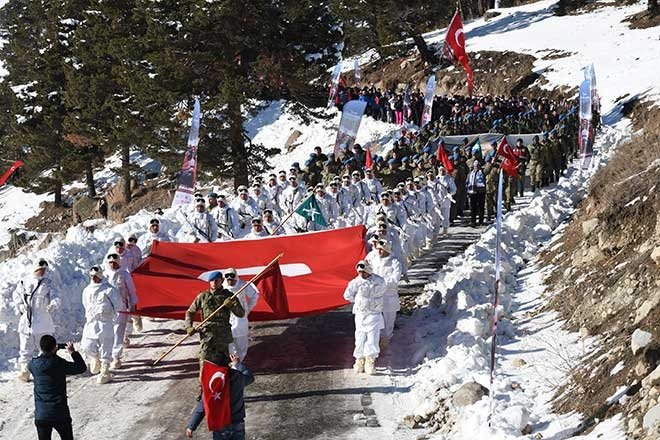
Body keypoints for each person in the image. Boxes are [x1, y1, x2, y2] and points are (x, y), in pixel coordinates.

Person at [28, 335, 86, 440]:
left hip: (41, 415)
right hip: (60, 414)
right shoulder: (59, 363)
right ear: (55, 347)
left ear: (41, 348)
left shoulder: (33, 365)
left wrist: (50, 351)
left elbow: (41, 361)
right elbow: (81, 368)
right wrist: (72, 352)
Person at [186, 353, 254, 440]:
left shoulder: (212, 384)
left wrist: (191, 426)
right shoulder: (237, 377)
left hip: (220, 423)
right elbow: (249, 377)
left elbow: (202, 406)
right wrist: (238, 364)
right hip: (237, 422)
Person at [13, 258, 60, 382]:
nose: (43, 272)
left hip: (43, 320)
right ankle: (25, 370)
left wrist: (53, 304)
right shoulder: (24, 282)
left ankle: (45, 369)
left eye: (44, 269)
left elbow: (56, 296)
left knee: (44, 347)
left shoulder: (48, 283)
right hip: (28, 320)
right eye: (40, 269)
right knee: (25, 346)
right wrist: (20, 305)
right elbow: (16, 295)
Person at [185, 271, 245, 367]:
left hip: (223, 337)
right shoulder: (203, 296)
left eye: (216, 280)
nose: (214, 283)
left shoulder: (229, 296)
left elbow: (241, 313)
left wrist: (232, 305)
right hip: (208, 336)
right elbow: (190, 312)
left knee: (223, 367)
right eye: (211, 281)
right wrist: (188, 326)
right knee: (205, 364)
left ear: (222, 280)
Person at [343, 260, 385, 375]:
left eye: (364, 272)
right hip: (361, 314)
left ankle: (370, 360)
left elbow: (382, 292)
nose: (361, 274)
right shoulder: (355, 282)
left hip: (374, 313)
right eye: (360, 272)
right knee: (360, 337)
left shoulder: (379, 281)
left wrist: (373, 302)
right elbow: (347, 295)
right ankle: (359, 359)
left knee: (372, 337)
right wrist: (359, 301)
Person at [80, 266, 120, 384]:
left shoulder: (109, 290)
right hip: (91, 322)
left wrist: (113, 318)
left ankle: (105, 370)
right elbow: (85, 304)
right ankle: (95, 357)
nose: (94, 278)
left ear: (100, 275)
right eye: (92, 276)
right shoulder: (87, 290)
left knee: (106, 346)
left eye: (96, 276)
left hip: (105, 322)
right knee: (87, 345)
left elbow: (118, 305)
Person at [104, 253, 138, 369]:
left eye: (114, 262)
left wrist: (133, 304)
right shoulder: (104, 275)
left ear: (118, 262)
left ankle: (116, 357)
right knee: (107, 333)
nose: (112, 264)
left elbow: (132, 291)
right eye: (110, 262)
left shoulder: (124, 274)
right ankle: (104, 356)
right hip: (107, 310)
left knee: (118, 333)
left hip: (121, 308)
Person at [367, 240, 401, 346]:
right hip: (376, 296)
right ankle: (377, 341)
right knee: (375, 320)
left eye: (381, 249)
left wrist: (381, 282)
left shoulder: (394, 262)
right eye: (378, 249)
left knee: (389, 320)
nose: (379, 251)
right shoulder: (374, 260)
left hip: (389, 296)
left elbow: (395, 279)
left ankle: (386, 341)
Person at [223, 268, 259, 361]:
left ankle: (240, 362)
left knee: (241, 345)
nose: (230, 281)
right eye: (228, 279)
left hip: (240, 319)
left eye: (232, 279)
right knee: (229, 344)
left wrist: (247, 310)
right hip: (227, 320)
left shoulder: (243, 285)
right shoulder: (222, 288)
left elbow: (254, 296)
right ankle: (232, 363)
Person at [466, 161, 486, 227]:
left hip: (480, 192)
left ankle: (481, 221)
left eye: (477, 166)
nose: (476, 167)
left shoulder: (482, 172)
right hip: (472, 192)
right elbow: (467, 181)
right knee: (473, 207)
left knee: (481, 207)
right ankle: (473, 221)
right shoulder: (471, 173)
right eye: (475, 166)